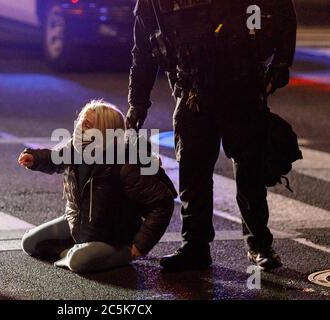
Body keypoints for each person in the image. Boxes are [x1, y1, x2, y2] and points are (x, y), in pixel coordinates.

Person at [126, 0, 297, 271]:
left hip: (242, 88)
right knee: (193, 173)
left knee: (250, 172)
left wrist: (281, 64)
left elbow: (283, 14)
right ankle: (195, 246)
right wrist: (137, 103)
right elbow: (144, 49)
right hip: (193, 91)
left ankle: (259, 245)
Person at [19, 100, 177, 273]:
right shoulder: (76, 148)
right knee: (29, 243)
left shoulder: (125, 164)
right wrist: (34, 158)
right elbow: (54, 158)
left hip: (112, 237)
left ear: (104, 132)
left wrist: (141, 244)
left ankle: (116, 254)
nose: (79, 128)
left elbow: (162, 202)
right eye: (80, 122)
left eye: (87, 125)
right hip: (78, 222)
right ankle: (74, 250)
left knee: (78, 261)